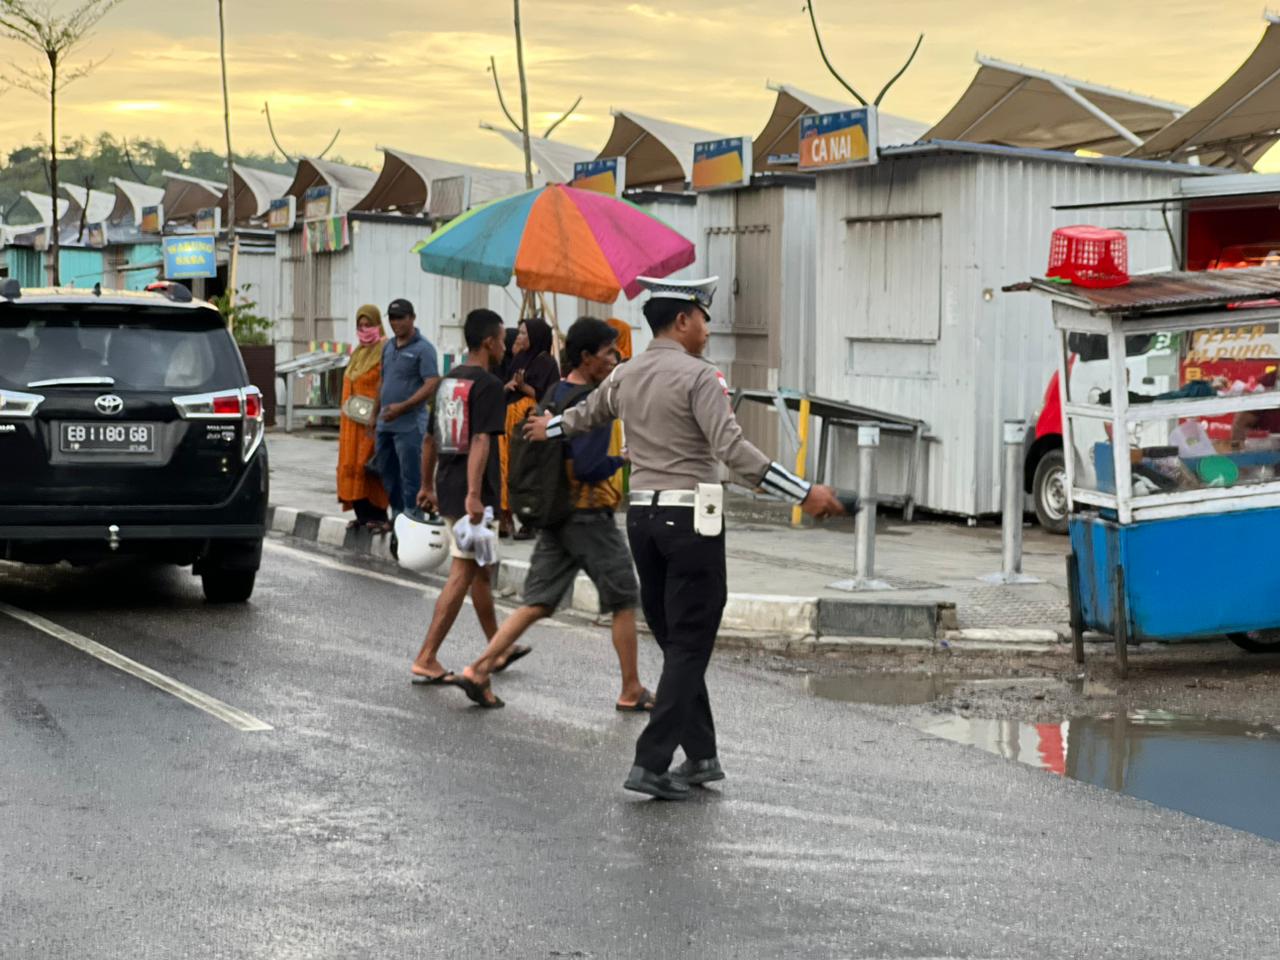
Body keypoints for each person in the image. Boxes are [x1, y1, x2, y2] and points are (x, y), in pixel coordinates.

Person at [526, 277, 845, 801]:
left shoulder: (626, 374)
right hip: (691, 521)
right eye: (703, 316)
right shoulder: (701, 377)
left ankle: (701, 757)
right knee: (691, 642)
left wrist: (550, 429)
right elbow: (733, 450)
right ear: (682, 321)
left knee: (678, 641)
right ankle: (651, 762)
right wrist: (803, 491)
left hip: (642, 521)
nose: (707, 327)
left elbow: (584, 415)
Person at [452, 317, 654, 712]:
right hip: (589, 515)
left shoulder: (554, 394)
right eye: (608, 352)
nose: (614, 358)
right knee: (624, 598)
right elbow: (588, 466)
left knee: (538, 602)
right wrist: (622, 460)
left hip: (553, 512)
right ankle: (631, 689)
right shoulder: (591, 401)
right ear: (586, 357)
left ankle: (478, 668)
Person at [409, 308, 508, 685]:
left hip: (447, 484)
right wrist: (473, 494)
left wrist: (427, 484)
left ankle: (498, 648)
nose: (504, 345)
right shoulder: (488, 386)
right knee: (463, 573)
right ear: (488, 342)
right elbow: (481, 440)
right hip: (471, 493)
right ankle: (426, 656)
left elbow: (431, 438)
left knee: (481, 571)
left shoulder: (449, 381)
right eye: (501, 339)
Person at [375, 298, 440, 519]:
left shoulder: (424, 349)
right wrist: (374, 416)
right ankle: (398, 516)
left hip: (409, 425)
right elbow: (383, 381)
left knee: (411, 476)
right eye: (392, 318)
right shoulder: (388, 347)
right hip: (385, 423)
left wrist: (403, 407)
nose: (396, 323)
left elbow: (431, 383)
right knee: (387, 472)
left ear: (412, 318)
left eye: (401, 318)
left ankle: (414, 518)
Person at [499, 318, 559, 540]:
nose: (519, 337)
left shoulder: (547, 364)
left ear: (535, 336)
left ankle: (528, 519)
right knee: (507, 467)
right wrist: (508, 386)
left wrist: (525, 387)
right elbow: (507, 384)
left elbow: (548, 395)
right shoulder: (518, 359)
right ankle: (505, 518)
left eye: (524, 333)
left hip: (529, 422)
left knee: (527, 469)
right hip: (508, 421)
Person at [337, 305, 392, 532]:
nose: (364, 329)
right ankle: (362, 515)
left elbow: (386, 384)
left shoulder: (385, 350)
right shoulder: (359, 352)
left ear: (378, 324)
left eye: (368, 325)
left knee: (368, 468)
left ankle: (378, 516)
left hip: (371, 423)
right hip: (351, 425)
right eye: (360, 326)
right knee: (350, 466)